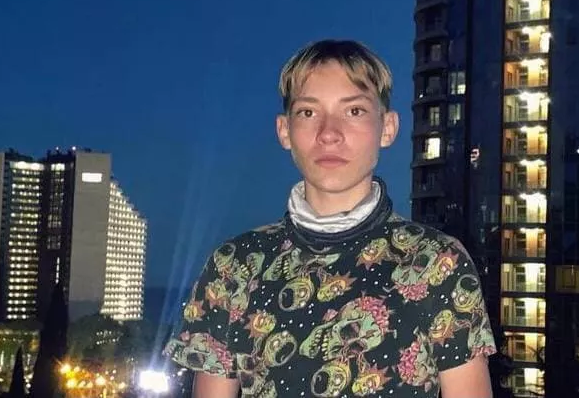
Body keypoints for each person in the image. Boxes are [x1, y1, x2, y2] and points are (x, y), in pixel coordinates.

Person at [164, 40, 496, 398]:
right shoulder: (235, 266)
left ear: (387, 128)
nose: (329, 133)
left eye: (354, 111)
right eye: (308, 112)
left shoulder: (436, 263)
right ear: (284, 130)